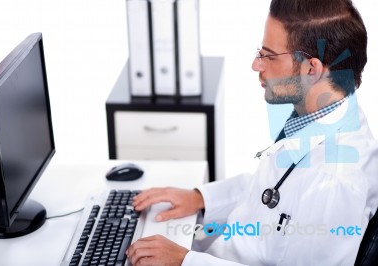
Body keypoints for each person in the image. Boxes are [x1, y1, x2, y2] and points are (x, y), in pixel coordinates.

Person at [126, 0, 378, 265]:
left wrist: (184, 262)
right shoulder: (320, 116)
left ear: (311, 69)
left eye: (268, 55)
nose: (256, 65)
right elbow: (271, 192)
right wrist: (201, 199)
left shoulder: (335, 181)